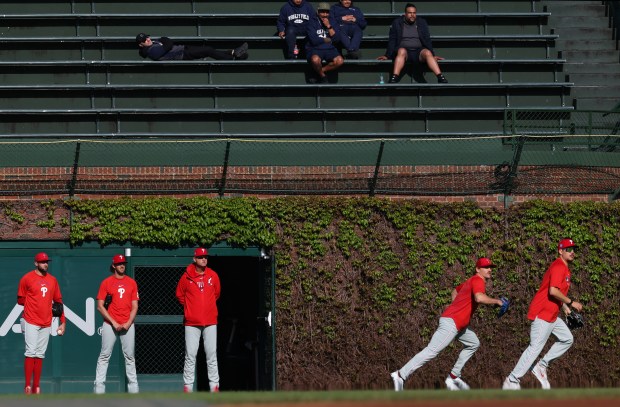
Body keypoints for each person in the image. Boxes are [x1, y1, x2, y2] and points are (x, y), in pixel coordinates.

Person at [390, 257, 504, 391]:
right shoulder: (478, 280)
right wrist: (497, 302)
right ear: (477, 269)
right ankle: (400, 375)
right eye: (486, 267)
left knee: (473, 343)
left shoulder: (471, 280)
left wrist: (456, 307)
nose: (490, 269)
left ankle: (454, 376)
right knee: (431, 351)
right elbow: (479, 297)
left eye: (491, 267)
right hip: (452, 323)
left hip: (458, 324)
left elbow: (455, 291)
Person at [502, 238, 583, 390]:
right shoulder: (559, 266)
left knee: (567, 339)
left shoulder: (565, 268)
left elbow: (555, 292)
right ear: (561, 251)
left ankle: (541, 365)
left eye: (574, 249)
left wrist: (565, 308)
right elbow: (553, 291)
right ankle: (512, 380)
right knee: (535, 348)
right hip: (542, 313)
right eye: (568, 249)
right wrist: (572, 302)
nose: (572, 252)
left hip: (552, 315)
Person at [17, 252, 66, 395]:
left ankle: (36, 387)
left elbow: (58, 302)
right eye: (43, 261)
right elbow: (20, 299)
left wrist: (63, 321)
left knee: (40, 354)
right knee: (30, 351)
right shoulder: (27, 278)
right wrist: (33, 304)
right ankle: (27, 386)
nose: (46, 264)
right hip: (30, 320)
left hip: (46, 321)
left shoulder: (52, 280)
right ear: (36, 263)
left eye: (47, 262)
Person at [176, 248, 221, 393]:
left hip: (210, 321)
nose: (204, 259)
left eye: (205, 257)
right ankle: (188, 387)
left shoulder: (213, 275)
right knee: (190, 355)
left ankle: (214, 386)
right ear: (194, 259)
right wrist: (191, 308)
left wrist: (205, 307)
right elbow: (179, 295)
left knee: (211, 354)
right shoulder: (186, 277)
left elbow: (217, 294)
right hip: (191, 322)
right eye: (201, 257)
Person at [93, 254, 140, 394]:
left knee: (130, 356)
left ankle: (134, 390)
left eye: (123, 263)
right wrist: (113, 322)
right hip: (110, 323)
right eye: (119, 263)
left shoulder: (131, 282)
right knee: (104, 355)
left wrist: (128, 323)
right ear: (113, 266)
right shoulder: (106, 282)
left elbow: (135, 306)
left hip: (127, 324)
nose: (122, 265)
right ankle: (99, 389)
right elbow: (100, 306)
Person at [377, 3, 448, 84]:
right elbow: (392, 39)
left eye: (414, 13)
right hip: (404, 51)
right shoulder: (397, 22)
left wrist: (432, 54)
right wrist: (387, 55)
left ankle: (440, 77)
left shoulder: (421, 22)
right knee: (401, 51)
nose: (412, 15)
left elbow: (427, 39)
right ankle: (394, 77)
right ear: (405, 14)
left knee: (427, 52)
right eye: (410, 13)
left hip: (418, 51)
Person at [305, 2, 344, 84]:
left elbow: (337, 39)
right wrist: (327, 39)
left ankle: (318, 72)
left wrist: (329, 26)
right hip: (315, 48)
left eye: (327, 12)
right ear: (317, 12)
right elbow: (314, 40)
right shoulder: (311, 22)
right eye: (322, 12)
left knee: (340, 61)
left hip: (330, 48)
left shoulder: (332, 22)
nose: (325, 14)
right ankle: (323, 76)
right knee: (315, 60)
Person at [136, 33, 248, 61]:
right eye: (144, 40)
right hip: (182, 55)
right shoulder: (151, 51)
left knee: (208, 49)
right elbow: (168, 43)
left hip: (183, 49)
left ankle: (233, 52)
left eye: (147, 37)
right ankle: (232, 58)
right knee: (208, 50)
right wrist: (164, 39)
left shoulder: (152, 44)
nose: (148, 39)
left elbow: (166, 43)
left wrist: (164, 41)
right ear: (141, 44)